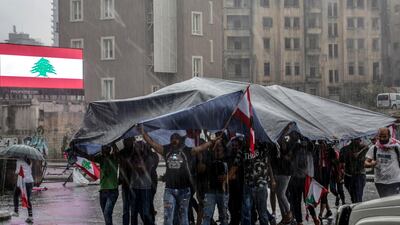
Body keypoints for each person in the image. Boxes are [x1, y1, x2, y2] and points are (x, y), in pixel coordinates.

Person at [140, 125, 217, 225]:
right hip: (170, 190)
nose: (174, 140)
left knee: (183, 218)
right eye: (172, 138)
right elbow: (151, 143)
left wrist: (212, 142)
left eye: (176, 138)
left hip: (184, 191)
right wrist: (142, 132)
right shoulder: (165, 150)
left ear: (180, 140)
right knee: (168, 218)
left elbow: (201, 148)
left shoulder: (187, 151)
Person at [227, 140, 276, 225]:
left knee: (262, 212)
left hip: (261, 185)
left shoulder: (263, 146)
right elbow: (235, 164)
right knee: (246, 211)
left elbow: (268, 164)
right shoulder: (243, 148)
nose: (247, 137)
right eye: (246, 135)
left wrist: (272, 179)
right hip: (248, 185)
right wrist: (227, 178)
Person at [365, 127, 400, 197]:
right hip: (379, 181)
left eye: (384, 137)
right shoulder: (374, 148)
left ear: (389, 136)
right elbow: (365, 163)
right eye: (380, 136)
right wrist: (371, 164)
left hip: (394, 180)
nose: (382, 139)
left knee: (391, 202)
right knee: (383, 201)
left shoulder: (396, 147)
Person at [129, 140, 157, 225]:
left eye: (139, 146)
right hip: (134, 187)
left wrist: (136, 166)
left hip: (145, 188)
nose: (137, 148)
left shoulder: (149, 158)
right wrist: (137, 165)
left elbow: (142, 171)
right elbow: (131, 166)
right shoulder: (133, 158)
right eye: (136, 146)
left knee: (145, 212)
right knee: (133, 212)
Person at [202, 140, 229, 225]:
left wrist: (226, 177)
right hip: (210, 191)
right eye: (216, 146)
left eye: (220, 146)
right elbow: (203, 169)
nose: (218, 148)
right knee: (207, 215)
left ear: (223, 148)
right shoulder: (209, 158)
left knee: (223, 216)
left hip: (224, 191)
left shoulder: (228, 158)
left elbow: (234, 174)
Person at [93, 145, 119, 225]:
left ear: (109, 149)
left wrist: (113, 141)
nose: (104, 149)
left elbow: (116, 151)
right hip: (102, 192)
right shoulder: (101, 159)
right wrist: (78, 151)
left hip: (112, 192)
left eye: (106, 147)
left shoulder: (114, 158)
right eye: (103, 147)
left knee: (107, 213)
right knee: (106, 214)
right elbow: (89, 157)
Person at [272, 137, 293, 225]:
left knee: (281, 193)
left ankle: (289, 213)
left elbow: (289, 158)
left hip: (286, 173)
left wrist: (285, 155)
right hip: (277, 172)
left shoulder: (289, 145)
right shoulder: (274, 145)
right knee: (279, 195)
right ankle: (284, 217)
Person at [339, 138, 367, 203]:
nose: (359, 141)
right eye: (357, 139)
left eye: (359, 139)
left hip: (359, 175)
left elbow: (367, 160)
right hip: (348, 175)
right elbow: (341, 161)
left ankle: (357, 209)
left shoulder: (364, 148)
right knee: (353, 197)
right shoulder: (344, 149)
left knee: (358, 196)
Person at [12, 157, 34, 223]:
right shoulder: (30, 161)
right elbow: (29, 170)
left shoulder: (19, 160)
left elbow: (17, 171)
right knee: (27, 199)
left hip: (23, 182)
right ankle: (30, 216)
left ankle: (16, 211)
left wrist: (16, 170)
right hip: (30, 181)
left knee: (16, 195)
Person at [119, 138, 134, 225]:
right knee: (126, 208)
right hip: (125, 184)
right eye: (126, 141)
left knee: (132, 208)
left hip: (133, 184)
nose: (127, 142)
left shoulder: (136, 152)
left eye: (129, 141)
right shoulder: (121, 153)